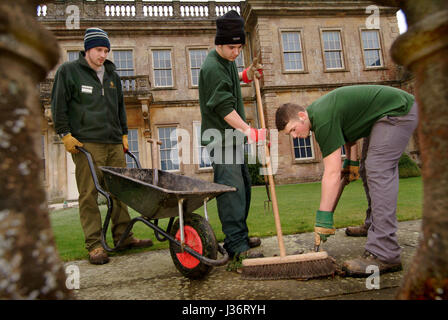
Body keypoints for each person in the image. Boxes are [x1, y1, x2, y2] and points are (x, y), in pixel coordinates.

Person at [275, 85, 418, 276]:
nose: (294, 136)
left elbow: (332, 174)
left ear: (302, 115)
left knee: (377, 169)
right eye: (289, 134)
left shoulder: (322, 119)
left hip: (397, 112)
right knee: (368, 168)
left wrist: (323, 219)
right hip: (380, 118)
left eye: (293, 130)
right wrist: (352, 161)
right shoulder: (319, 116)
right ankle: (373, 224)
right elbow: (350, 133)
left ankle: (385, 253)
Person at [51, 27, 153, 265]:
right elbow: (58, 106)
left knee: (120, 190)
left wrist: (124, 134)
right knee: (89, 194)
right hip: (86, 144)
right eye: (99, 49)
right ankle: (95, 245)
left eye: (106, 50)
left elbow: (120, 107)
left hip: (114, 142)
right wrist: (65, 134)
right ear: (87, 49)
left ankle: (124, 236)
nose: (103, 55)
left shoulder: (112, 75)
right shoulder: (69, 72)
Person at [199, 10, 265, 261]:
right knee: (232, 191)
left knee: (244, 188)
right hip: (222, 139)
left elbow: (229, 80)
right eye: (231, 47)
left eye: (240, 47)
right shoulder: (213, 67)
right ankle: (236, 246)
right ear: (219, 42)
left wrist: (244, 75)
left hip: (232, 139)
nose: (236, 52)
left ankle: (239, 236)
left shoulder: (225, 62)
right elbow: (225, 108)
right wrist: (250, 130)